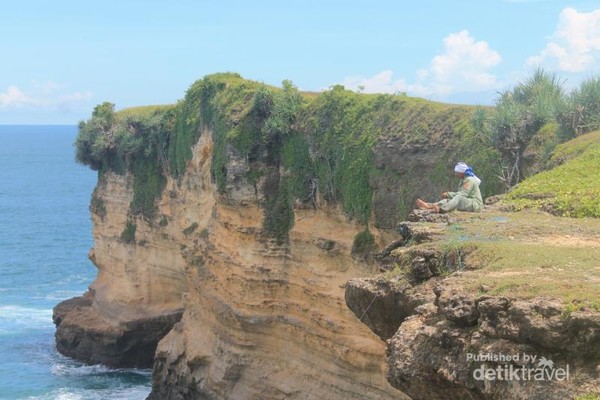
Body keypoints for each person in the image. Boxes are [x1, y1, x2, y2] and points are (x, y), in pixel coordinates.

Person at [416, 162, 483, 213]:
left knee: (458, 198)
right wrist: (449, 196)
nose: (456, 174)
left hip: (475, 205)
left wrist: (448, 194)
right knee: (449, 200)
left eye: (457, 172)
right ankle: (429, 206)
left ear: (462, 172)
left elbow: (463, 194)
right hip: (468, 202)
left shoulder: (469, 180)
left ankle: (441, 209)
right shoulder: (463, 180)